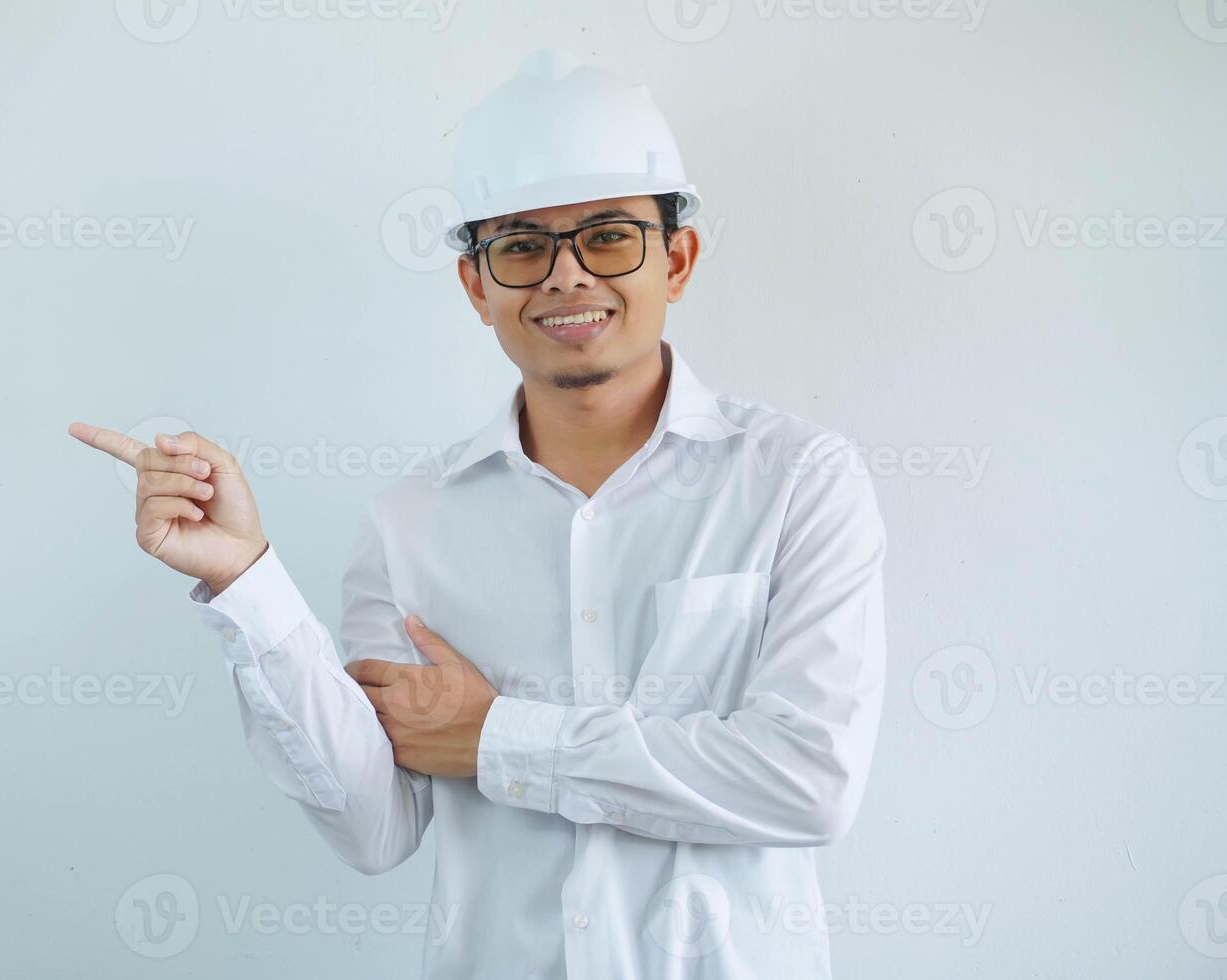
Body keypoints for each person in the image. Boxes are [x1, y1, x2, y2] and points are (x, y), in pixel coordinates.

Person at [70, 48, 886, 980]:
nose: (568, 278)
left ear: (679, 258)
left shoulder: (798, 483)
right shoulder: (413, 521)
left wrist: (499, 736)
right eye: (523, 245)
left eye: (610, 235)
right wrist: (245, 580)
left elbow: (809, 784)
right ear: (477, 285)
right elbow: (375, 828)